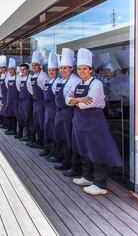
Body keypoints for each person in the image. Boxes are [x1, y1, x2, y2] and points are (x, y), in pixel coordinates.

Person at [67, 48, 122, 195]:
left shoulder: (96, 84)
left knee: (97, 151)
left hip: (94, 122)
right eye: (79, 69)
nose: (82, 71)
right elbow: (67, 100)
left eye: (85, 69)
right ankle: (87, 177)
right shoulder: (77, 84)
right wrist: (78, 100)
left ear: (90, 70)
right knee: (84, 149)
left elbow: (87, 104)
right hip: (80, 121)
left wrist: (75, 101)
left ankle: (100, 184)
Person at [51, 48, 82, 178]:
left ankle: (73, 166)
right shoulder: (62, 81)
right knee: (62, 137)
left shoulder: (75, 81)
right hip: (60, 112)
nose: (63, 70)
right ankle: (64, 160)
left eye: (66, 68)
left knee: (70, 139)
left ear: (71, 69)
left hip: (69, 113)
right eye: (61, 68)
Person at [41, 53, 61, 157]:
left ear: (57, 71)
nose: (51, 72)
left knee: (54, 132)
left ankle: (54, 152)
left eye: (53, 70)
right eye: (49, 70)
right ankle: (47, 149)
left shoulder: (58, 82)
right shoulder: (48, 81)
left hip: (54, 110)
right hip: (47, 109)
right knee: (47, 130)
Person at [30, 51, 50, 149]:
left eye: (36, 65)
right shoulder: (34, 76)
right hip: (35, 103)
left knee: (42, 123)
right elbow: (31, 89)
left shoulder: (43, 76)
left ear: (40, 66)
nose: (33, 67)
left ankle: (43, 143)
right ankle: (38, 141)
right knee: (36, 123)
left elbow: (46, 91)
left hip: (41, 103)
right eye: (32, 65)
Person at [18, 63, 34, 143]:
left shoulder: (31, 78)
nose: (22, 71)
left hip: (28, 100)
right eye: (21, 70)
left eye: (24, 69)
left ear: (28, 69)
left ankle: (31, 137)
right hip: (22, 101)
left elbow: (32, 91)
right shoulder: (22, 78)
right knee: (23, 118)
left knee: (29, 119)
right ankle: (27, 135)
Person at [4, 58, 20, 136]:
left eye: (12, 69)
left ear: (15, 70)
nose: (10, 71)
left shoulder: (18, 78)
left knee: (14, 115)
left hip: (15, 100)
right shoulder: (8, 79)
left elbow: (19, 89)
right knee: (9, 114)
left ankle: (14, 130)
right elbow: (7, 87)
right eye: (9, 69)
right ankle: (9, 128)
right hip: (9, 99)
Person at [0, 56, 8, 129]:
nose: (2, 69)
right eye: (1, 68)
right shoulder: (2, 75)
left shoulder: (7, 76)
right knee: (2, 110)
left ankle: (5, 124)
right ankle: (3, 123)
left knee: (5, 110)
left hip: (6, 95)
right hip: (2, 95)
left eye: (3, 67)